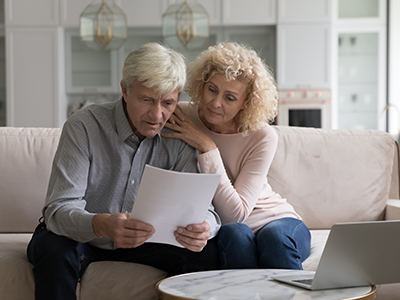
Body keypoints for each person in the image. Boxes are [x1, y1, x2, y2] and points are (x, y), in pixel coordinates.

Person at [26, 43, 221, 300]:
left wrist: (205, 227)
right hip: (85, 239)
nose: (157, 114)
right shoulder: (84, 126)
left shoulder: (180, 135)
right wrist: (101, 224)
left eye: (168, 102)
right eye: (147, 99)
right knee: (53, 248)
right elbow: (57, 210)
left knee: (210, 254)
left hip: (148, 243)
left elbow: (205, 209)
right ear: (125, 91)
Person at [162, 42, 311, 270]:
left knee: (273, 238)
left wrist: (208, 147)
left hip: (276, 220)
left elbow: (236, 213)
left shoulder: (262, 136)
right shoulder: (182, 116)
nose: (215, 102)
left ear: (246, 103)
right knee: (234, 235)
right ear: (202, 84)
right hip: (228, 226)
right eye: (212, 89)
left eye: (230, 98)